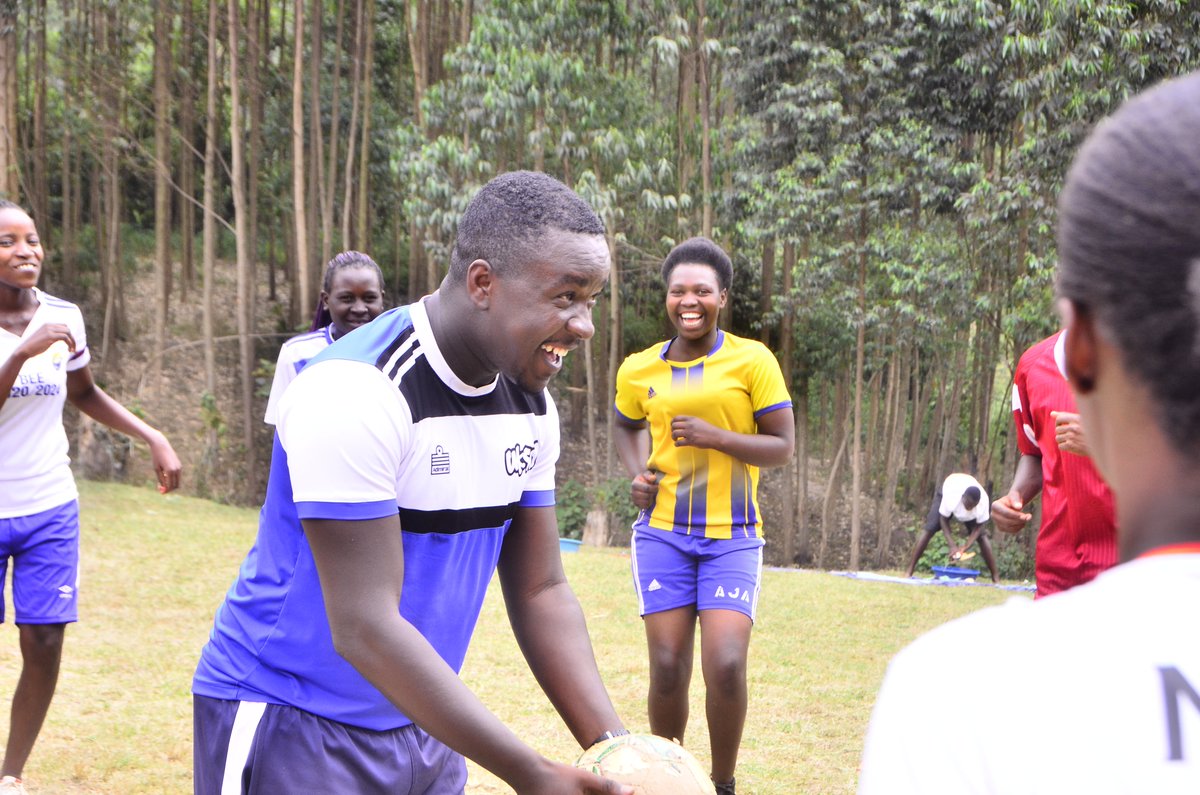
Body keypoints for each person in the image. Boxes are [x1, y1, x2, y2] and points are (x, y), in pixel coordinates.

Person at [193, 172, 635, 795]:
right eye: (566, 297)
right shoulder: (355, 389)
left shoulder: (532, 404)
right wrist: (530, 774)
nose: (584, 324)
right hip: (292, 718)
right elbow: (365, 625)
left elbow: (540, 589)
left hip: (424, 718)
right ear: (483, 283)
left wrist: (618, 754)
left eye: (591, 300)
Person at [859, 72, 1200, 793]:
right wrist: (1016, 503)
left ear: (1080, 349)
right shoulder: (1028, 367)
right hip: (1064, 566)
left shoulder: (956, 696)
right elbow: (1029, 463)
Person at [0, 200, 182, 795]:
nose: (25, 251)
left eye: (31, 239)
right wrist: (22, 351)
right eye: (7, 241)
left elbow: (84, 393)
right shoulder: (34, 334)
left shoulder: (64, 316)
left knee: (45, 638)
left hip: (50, 502)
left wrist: (152, 434)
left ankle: (11, 774)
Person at [612, 237, 794, 795]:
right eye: (678, 291)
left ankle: (720, 784)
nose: (689, 301)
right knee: (667, 665)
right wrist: (637, 474)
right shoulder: (639, 367)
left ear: (723, 298)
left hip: (733, 537)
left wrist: (718, 437)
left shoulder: (752, 360)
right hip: (663, 532)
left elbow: (782, 446)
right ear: (667, 298)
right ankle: (671, 781)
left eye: (702, 291)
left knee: (727, 664)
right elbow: (623, 425)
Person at [990, 330, 1117, 596]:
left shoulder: (1165, 360)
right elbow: (1036, 454)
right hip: (1057, 574)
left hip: (1140, 570)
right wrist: (1015, 497)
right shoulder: (1032, 367)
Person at [263, 250, 386, 425]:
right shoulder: (297, 355)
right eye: (347, 298)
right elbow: (281, 430)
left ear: (382, 299)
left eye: (369, 298)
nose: (359, 308)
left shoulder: (399, 351)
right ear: (326, 300)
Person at [904, 472, 999, 583]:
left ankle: (995, 577)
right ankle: (909, 571)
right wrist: (952, 546)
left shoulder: (983, 503)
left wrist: (965, 547)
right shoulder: (952, 496)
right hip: (949, 485)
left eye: (972, 506)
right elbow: (943, 520)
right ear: (963, 498)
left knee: (982, 537)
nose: (969, 508)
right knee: (930, 528)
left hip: (969, 491)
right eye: (967, 505)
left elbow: (979, 527)